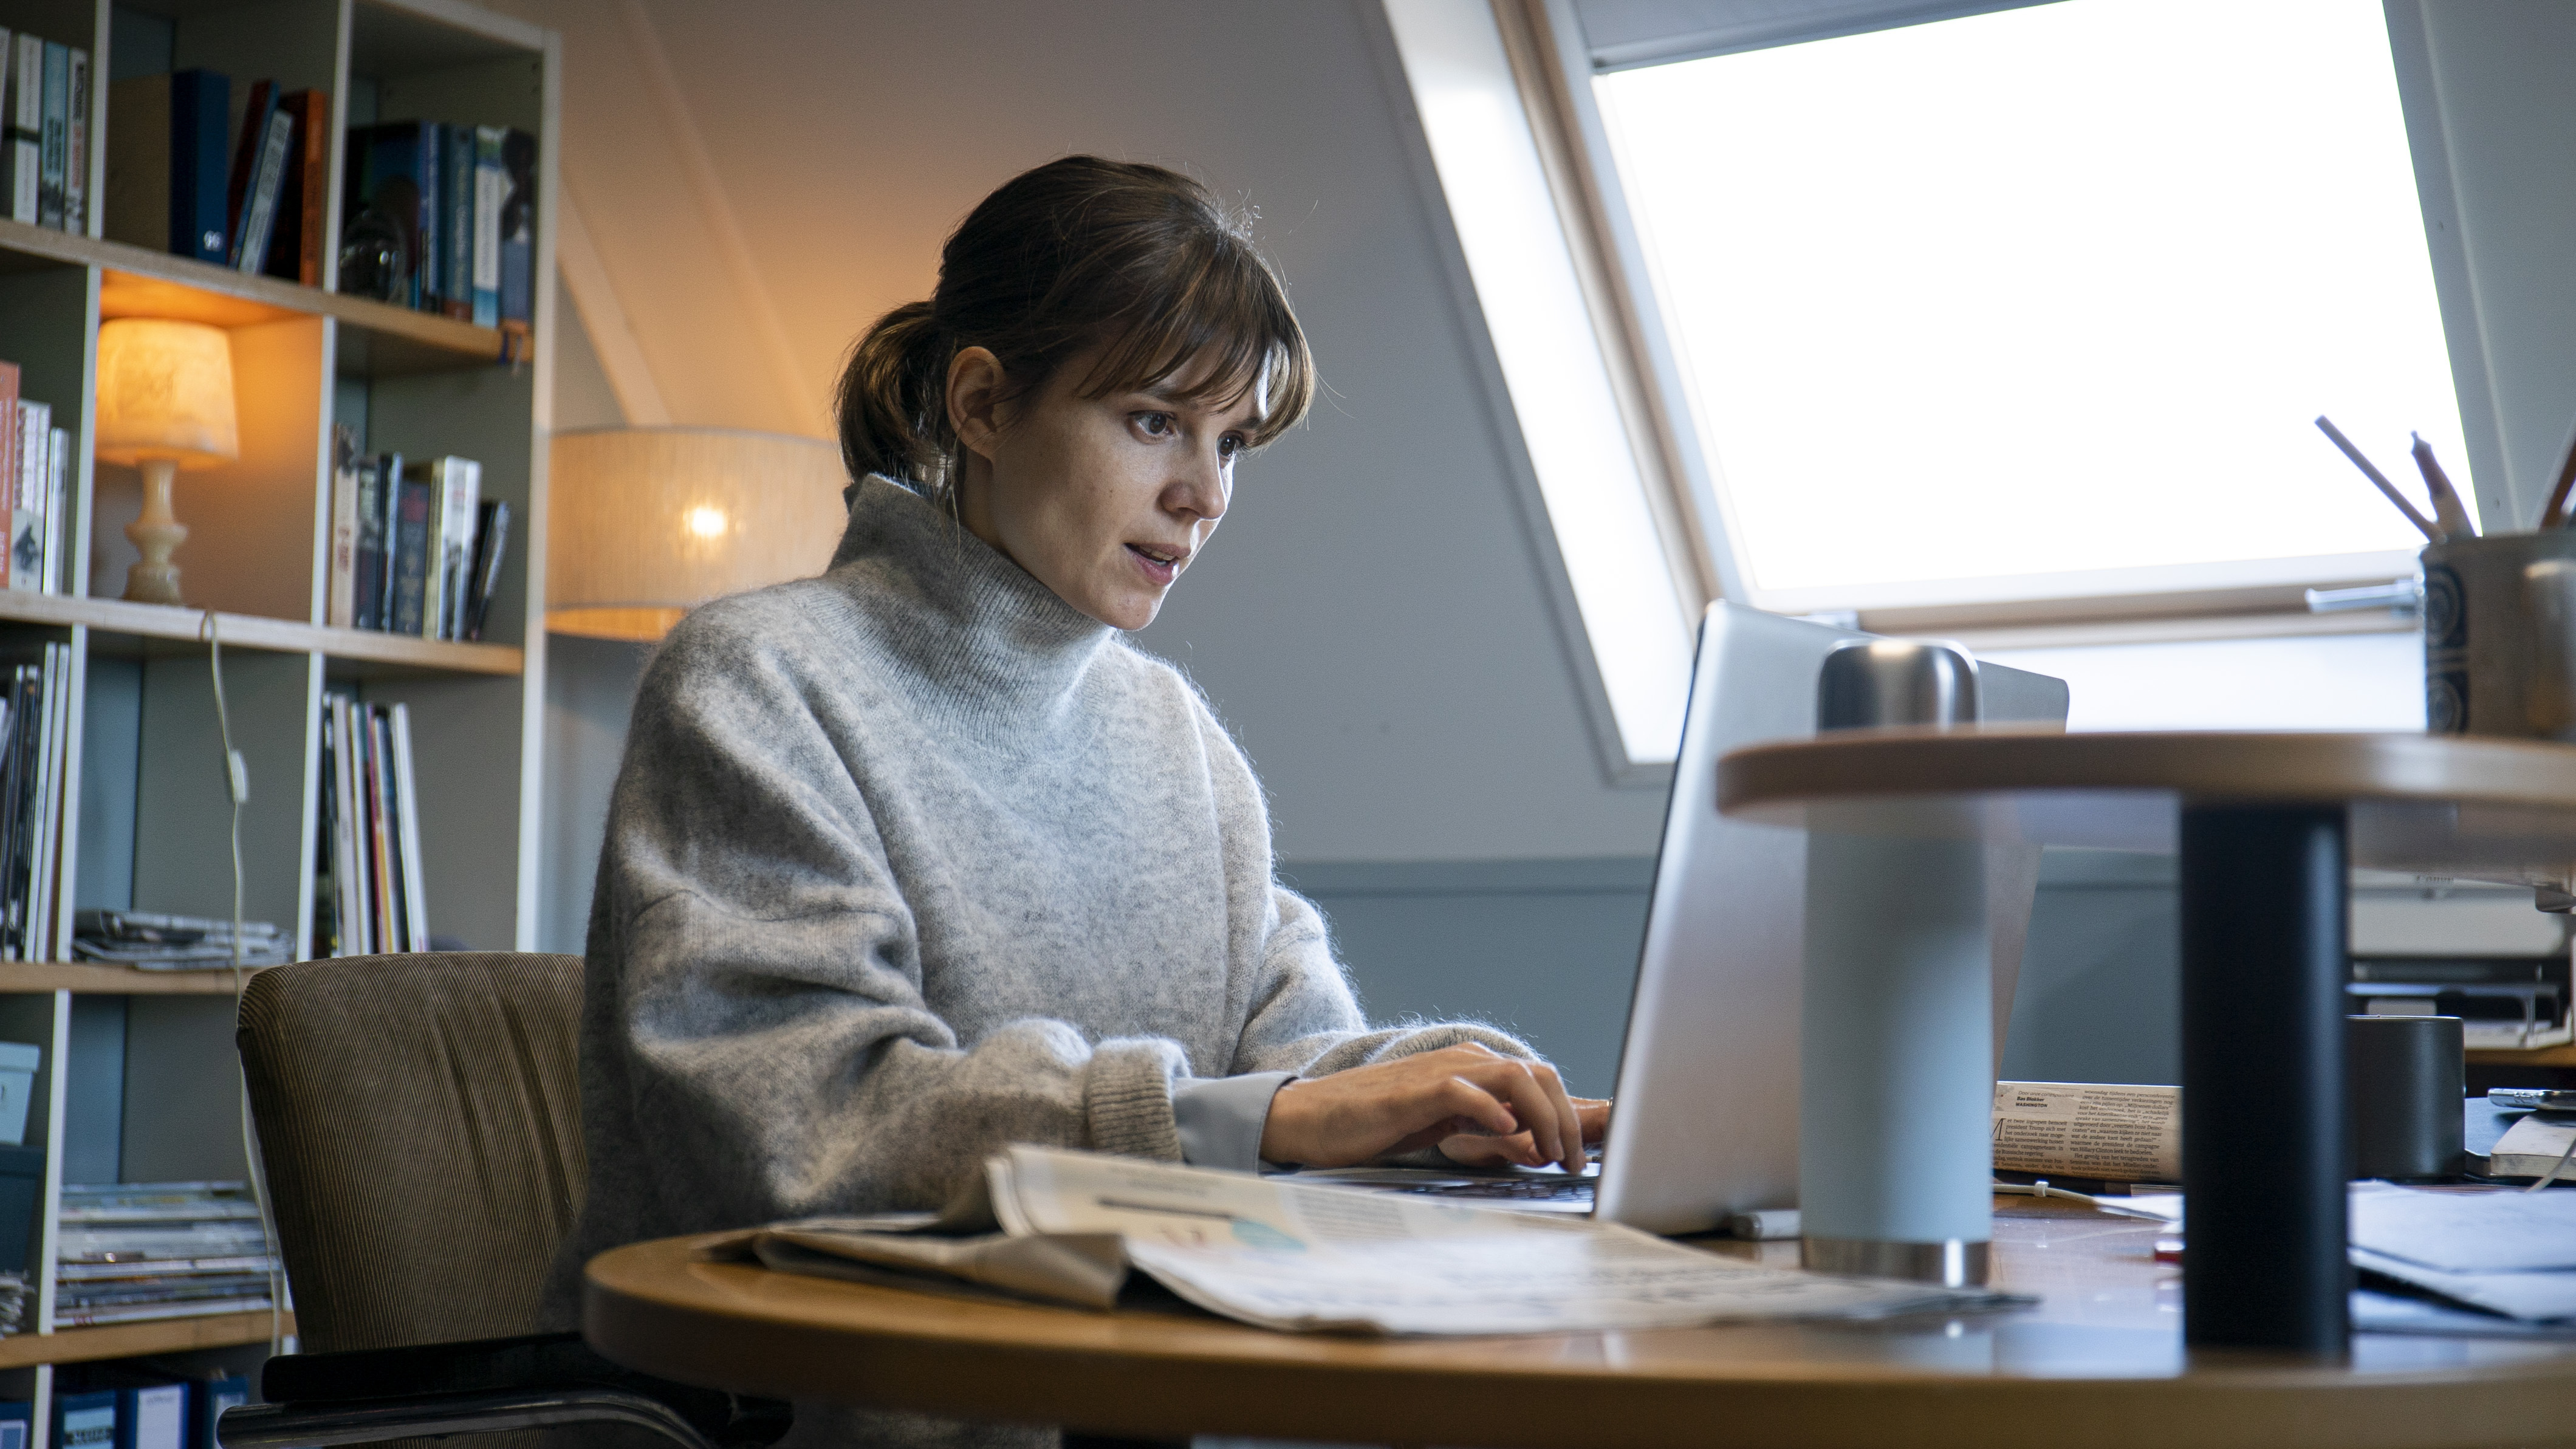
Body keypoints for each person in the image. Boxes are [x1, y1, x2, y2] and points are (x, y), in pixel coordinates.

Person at [553, 156, 1606, 1448]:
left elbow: (1284, 1061)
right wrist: (1244, 1118)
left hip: (1133, 1405)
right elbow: (811, 1123)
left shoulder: (1174, 731)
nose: (1204, 495)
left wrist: (1447, 1093)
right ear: (984, 403)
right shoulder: (756, 681)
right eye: (1155, 421)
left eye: (1230, 444)